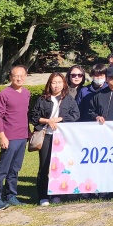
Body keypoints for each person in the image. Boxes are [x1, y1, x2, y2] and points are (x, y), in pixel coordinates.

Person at [30, 72, 79, 206]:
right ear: (49, 84)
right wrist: (48, 120)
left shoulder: (68, 99)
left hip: (62, 138)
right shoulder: (43, 99)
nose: (56, 85)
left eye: (59, 82)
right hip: (46, 136)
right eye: (53, 82)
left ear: (63, 84)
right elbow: (34, 117)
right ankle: (43, 196)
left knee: (62, 166)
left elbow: (75, 115)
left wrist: (60, 118)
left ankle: (58, 194)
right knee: (44, 167)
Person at [0, 65, 30, 210]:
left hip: (22, 137)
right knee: (3, 169)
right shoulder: (4, 94)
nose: (19, 78)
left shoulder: (26, 93)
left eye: (21, 75)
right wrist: (2, 136)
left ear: (25, 76)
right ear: (10, 77)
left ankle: (11, 196)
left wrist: (28, 133)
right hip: (9, 137)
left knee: (15, 169)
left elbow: (25, 114)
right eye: (15, 75)